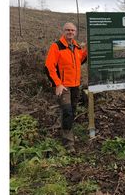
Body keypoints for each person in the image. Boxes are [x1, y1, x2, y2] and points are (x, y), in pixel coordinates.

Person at [45, 22, 87, 152]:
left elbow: (81, 60)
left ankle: (67, 131)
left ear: (75, 32)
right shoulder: (56, 46)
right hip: (64, 86)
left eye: (72, 30)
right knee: (67, 111)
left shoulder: (76, 46)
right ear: (63, 31)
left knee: (72, 110)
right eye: (68, 30)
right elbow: (49, 67)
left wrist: (88, 48)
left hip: (75, 85)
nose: (70, 32)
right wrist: (57, 84)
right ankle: (68, 143)